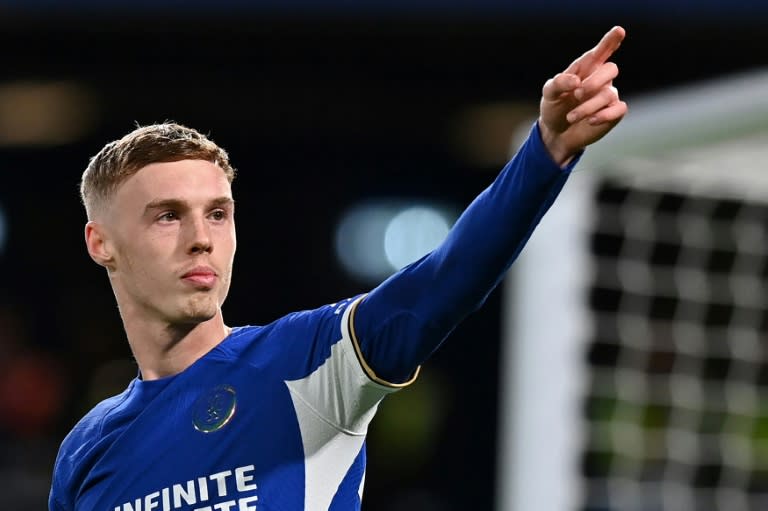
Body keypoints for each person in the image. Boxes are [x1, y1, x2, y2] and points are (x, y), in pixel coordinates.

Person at [49, 26, 628, 511]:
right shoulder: (88, 450)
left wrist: (545, 152)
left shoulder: (304, 363)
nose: (202, 239)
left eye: (218, 214)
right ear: (102, 243)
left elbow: (443, 282)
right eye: (169, 216)